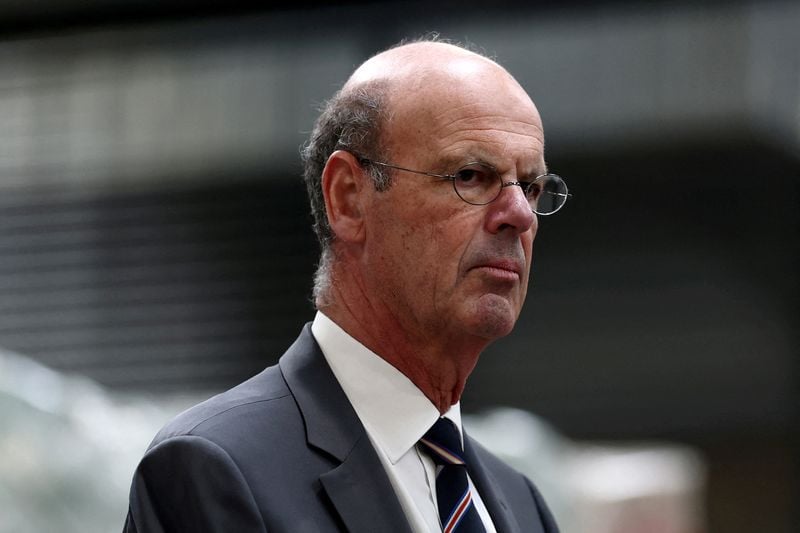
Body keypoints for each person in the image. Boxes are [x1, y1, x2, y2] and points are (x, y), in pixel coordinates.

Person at [123, 37, 568, 533]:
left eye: (531, 187)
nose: (520, 214)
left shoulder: (524, 505)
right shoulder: (214, 470)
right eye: (471, 175)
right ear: (349, 198)